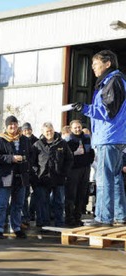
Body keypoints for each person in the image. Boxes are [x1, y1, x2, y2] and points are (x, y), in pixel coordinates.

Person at [73, 50, 126, 226]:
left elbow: (108, 111)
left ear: (108, 63)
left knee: (103, 179)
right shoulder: (117, 81)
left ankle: (103, 217)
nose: (94, 68)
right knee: (115, 178)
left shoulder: (112, 82)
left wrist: (86, 109)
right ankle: (119, 215)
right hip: (116, 137)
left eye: (96, 64)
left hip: (108, 138)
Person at [0, 116, 31, 239]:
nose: (13, 127)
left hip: (21, 177)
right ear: (6, 126)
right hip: (6, 177)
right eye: (10, 125)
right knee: (3, 204)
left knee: (18, 204)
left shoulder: (24, 139)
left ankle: (16, 227)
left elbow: (30, 155)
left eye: (15, 124)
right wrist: (11, 158)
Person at [30, 122, 73, 229]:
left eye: (51, 131)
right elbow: (32, 162)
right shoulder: (37, 145)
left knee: (59, 202)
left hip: (59, 178)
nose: (49, 133)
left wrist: (64, 173)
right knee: (42, 202)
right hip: (42, 179)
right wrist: (36, 173)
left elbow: (69, 159)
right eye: (47, 131)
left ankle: (59, 223)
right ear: (43, 132)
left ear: (54, 130)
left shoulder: (62, 144)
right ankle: (43, 224)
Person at [65, 120, 94, 227]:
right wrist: (75, 154)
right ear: (71, 129)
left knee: (82, 194)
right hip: (73, 170)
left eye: (79, 127)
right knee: (71, 194)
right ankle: (69, 218)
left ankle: (78, 217)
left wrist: (89, 160)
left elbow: (91, 151)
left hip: (85, 169)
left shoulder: (86, 138)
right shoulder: (68, 140)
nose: (77, 129)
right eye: (75, 128)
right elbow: (65, 156)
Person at [21, 122, 39, 226]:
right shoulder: (21, 141)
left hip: (35, 171)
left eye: (28, 129)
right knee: (24, 195)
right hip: (25, 171)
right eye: (25, 130)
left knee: (35, 195)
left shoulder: (37, 141)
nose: (27, 131)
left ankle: (32, 213)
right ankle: (25, 216)